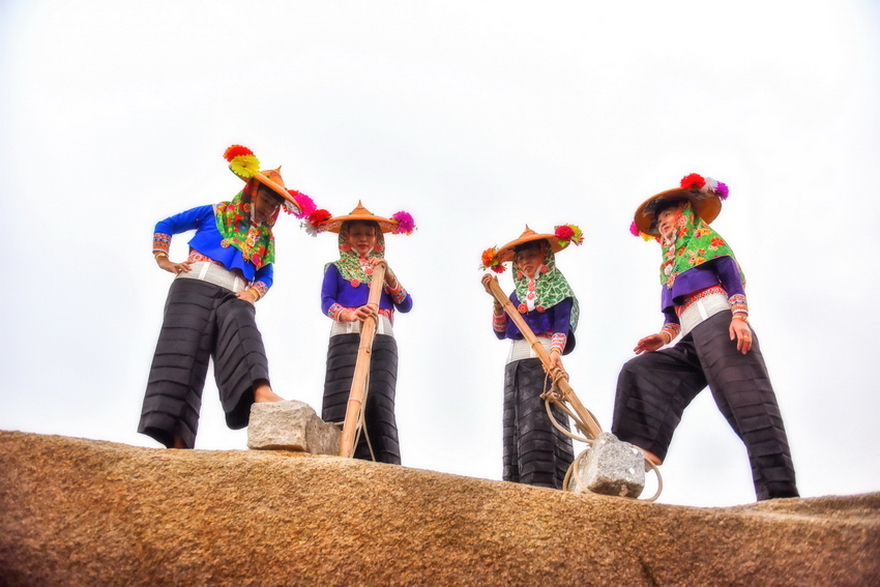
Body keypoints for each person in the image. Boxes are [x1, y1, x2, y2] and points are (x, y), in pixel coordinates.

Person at [613, 173, 799, 500]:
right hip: (691, 338)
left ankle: (779, 495)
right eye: (659, 220)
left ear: (685, 212)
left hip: (720, 324)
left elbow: (733, 284)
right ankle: (646, 447)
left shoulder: (708, 242)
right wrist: (662, 336)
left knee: (749, 406)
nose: (663, 223)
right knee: (639, 370)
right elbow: (674, 316)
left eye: (668, 215)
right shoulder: (670, 267)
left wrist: (739, 318)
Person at [138, 144, 316, 449]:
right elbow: (166, 224)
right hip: (194, 284)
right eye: (266, 198)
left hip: (234, 296)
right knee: (182, 355)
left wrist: (253, 293)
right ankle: (177, 440)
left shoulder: (266, 240)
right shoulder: (215, 212)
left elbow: (266, 276)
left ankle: (260, 392)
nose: (270, 207)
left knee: (244, 332)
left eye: (276, 205)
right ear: (251, 191)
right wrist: (163, 259)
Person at [307, 202, 415, 464]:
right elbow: (326, 302)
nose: (363, 239)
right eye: (356, 234)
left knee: (378, 397)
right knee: (343, 396)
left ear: (377, 237)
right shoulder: (335, 268)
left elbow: (406, 304)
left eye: (368, 234)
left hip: (382, 337)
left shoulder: (384, 270)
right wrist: (350, 314)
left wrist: (388, 276)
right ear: (346, 238)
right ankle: (341, 457)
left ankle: (384, 461)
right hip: (345, 335)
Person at [480, 225, 583, 489]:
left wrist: (556, 353)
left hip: (544, 360)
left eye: (531, 256)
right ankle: (517, 483)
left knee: (539, 421)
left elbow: (563, 325)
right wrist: (496, 300)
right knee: (516, 423)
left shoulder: (559, 288)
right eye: (521, 259)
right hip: (514, 363)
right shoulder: (514, 295)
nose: (526, 262)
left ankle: (548, 483)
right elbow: (501, 332)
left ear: (544, 256)